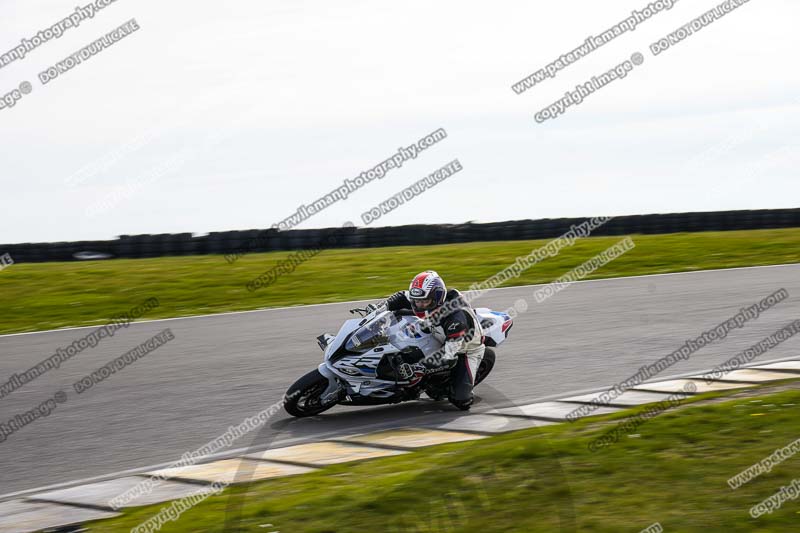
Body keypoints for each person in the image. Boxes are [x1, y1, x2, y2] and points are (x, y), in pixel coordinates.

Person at [384, 270, 484, 410]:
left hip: (464, 349)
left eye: (425, 301)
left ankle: (455, 384)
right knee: (402, 345)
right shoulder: (426, 298)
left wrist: (419, 367)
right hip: (437, 333)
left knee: (461, 401)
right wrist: (380, 307)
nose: (420, 305)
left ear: (437, 298)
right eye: (417, 302)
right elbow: (403, 296)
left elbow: (449, 357)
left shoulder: (455, 319)